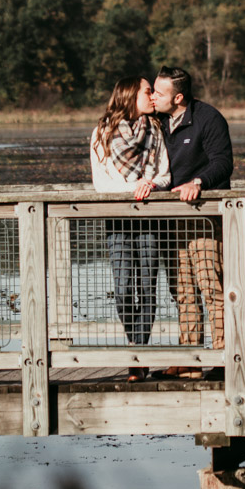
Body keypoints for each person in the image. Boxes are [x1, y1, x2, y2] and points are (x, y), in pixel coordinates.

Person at [150, 66, 233, 379]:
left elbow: (223, 163)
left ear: (178, 98)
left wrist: (198, 181)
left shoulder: (208, 118)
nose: (153, 97)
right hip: (168, 218)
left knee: (212, 287)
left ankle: (224, 358)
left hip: (202, 217)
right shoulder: (155, 121)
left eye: (159, 92)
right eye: (152, 91)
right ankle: (190, 360)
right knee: (181, 290)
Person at [90, 76, 171, 382]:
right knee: (124, 289)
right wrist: (135, 186)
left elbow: (165, 175)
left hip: (149, 218)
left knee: (147, 288)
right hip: (118, 220)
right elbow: (101, 184)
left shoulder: (155, 130)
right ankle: (135, 346)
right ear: (129, 96)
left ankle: (138, 356)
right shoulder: (102, 131)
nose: (153, 96)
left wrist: (151, 184)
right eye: (147, 91)